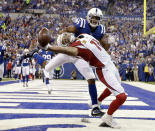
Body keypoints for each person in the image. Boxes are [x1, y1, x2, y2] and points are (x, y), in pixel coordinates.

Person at [39, 33, 127, 128]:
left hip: (110, 64)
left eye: (65, 36)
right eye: (64, 40)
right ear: (66, 44)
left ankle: (98, 101)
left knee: (114, 86)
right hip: (103, 69)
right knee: (122, 96)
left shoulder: (83, 35)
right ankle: (108, 117)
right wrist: (49, 47)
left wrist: (107, 41)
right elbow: (63, 50)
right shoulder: (75, 48)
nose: (66, 37)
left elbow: (99, 46)